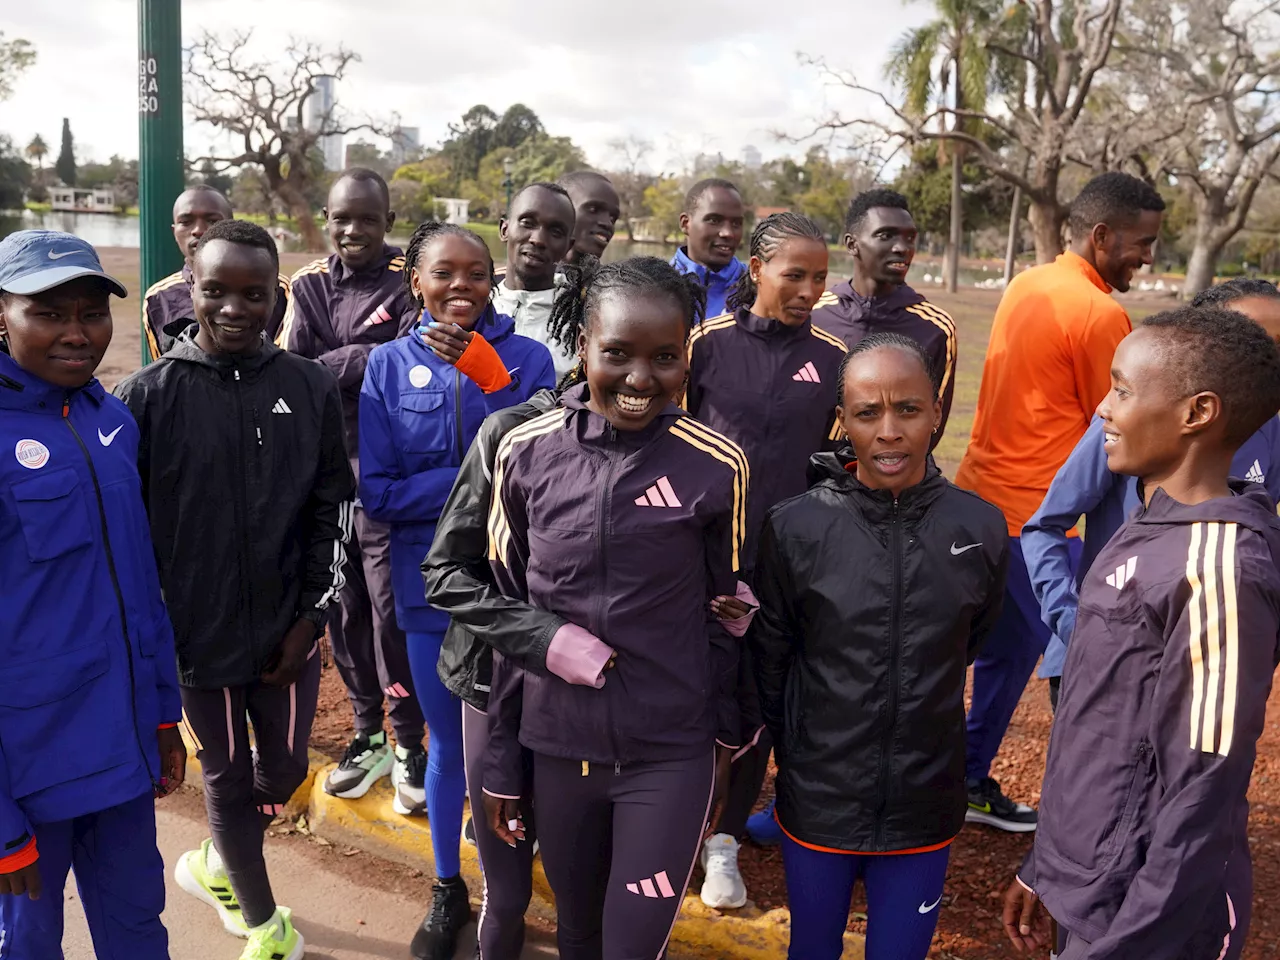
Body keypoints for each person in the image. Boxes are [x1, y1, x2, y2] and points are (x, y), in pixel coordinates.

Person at [479, 257, 746, 960]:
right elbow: (509, 623)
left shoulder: (717, 465)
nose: (639, 379)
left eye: (665, 358)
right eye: (617, 354)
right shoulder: (524, 453)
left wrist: (720, 750)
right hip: (559, 749)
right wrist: (504, 765)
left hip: (668, 752)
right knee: (577, 936)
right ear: (584, 346)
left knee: (629, 949)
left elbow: (733, 620)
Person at [1002, 307, 1280, 960]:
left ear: (1196, 413)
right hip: (1090, 883)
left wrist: (1130, 943)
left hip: (1150, 921)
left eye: (1122, 389)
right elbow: (1095, 729)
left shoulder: (1221, 570)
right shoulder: (1149, 524)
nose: (1102, 408)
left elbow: (1200, 792)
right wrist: (1048, 864)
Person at [116, 219, 354, 960]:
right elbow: (126, 530)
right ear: (192, 289)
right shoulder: (148, 395)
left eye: (254, 295)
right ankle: (263, 922)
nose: (234, 308)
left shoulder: (307, 385)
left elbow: (333, 506)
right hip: (198, 640)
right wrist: (158, 631)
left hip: (287, 633)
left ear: (276, 299)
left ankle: (217, 862)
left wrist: (312, 618)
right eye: (216, 291)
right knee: (223, 778)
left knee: (280, 771)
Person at [750, 333, 1007, 960]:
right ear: (843, 420)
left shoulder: (980, 527)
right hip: (820, 800)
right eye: (868, 413)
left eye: (909, 410)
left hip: (926, 801)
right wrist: (804, 756)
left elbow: (968, 641)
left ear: (937, 412)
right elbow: (771, 658)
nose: (889, 431)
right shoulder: (795, 526)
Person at [359, 220, 555, 959]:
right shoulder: (386, 365)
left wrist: (492, 384)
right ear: (416, 280)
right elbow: (378, 493)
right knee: (452, 748)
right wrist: (469, 483)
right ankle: (448, 888)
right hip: (428, 587)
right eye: (445, 273)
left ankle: (510, 890)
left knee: (519, 744)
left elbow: (541, 475)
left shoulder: (530, 360)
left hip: (515, 585)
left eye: (476, 273)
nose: (461, 287)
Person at [953, 172, 1165, 829]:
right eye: (1142, 241)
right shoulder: (1102, 314)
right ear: (1101, 236)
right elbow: (1117, 429)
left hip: (973, 495)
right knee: (1036, 654)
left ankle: (935, 774)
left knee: (951, 648)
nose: (1149, 256)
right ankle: (959, 781)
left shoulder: (1028, 282)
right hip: (1036, 516)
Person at [0, 230, 184, 960]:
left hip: (119, 755)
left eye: (91, 312)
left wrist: (165, 717)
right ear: (2, 315)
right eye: (48, 313)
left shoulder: (112, 419)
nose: (77, 333)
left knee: (139, 932)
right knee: (28, 946)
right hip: (27, 772)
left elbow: (140, 590)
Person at [683, 212, 845, 908]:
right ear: (756, 270)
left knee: (756, 709)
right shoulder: (705, 346)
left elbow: (835, 473)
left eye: (819, 278)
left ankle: (722, 845)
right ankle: (669, 830)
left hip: (784, 575)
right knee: (689, 703)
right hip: (698, 566)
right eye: (795, 274)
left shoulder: (835, 360)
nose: (809, 289)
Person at [1024, 278, 1280, 712]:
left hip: (1194, 679)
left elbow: (1255, 541)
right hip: (1098, 669)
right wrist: (1076, 624)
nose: (1268, 360)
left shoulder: (1271, 429)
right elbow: (1045, 525)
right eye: (1258, 342)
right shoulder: (1135, 423)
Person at [277, 167, 428, 805]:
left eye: (367, 218)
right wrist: (367, 353)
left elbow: (407, 362)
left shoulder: (410, 279)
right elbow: (298, 372)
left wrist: (342, 361)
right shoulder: (309, 284)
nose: (353, 230)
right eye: (342, 218)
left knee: (393, 610)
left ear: (388, 222)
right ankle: (367, 732)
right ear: (327, 218)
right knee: (343, 611)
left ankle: (409, 743)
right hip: (329, 477)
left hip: (389, 476)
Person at [809, 188, 957, 444]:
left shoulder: (935, 328)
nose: (902, 248)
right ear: (852, 244)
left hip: (891, 480)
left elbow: (931, 429)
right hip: (808, 480)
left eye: (909, 238)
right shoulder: (814, 313)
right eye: (885, 236)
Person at [143, 184, 290, 360]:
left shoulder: (280, 288)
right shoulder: (158, 297)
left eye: (212, 221)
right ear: (174, 231)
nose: (197, 230)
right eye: (186, 222)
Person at [490, 182, 578, 379]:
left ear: (567, 246)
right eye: (527, 223)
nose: (538, 239)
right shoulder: (476, 306)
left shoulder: (583, 319)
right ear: (505, 229)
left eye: (555, 232)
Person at [670, 178, 747, 319]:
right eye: (714, 220)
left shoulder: (756, 287)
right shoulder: (657, 287)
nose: (728, 233)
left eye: (736, 223)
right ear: (685, 223)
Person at [557, 170, 622, 265]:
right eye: (593, 209)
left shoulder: (613, 279)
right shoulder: (531, 272)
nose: (608, 224)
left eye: (612, 218)